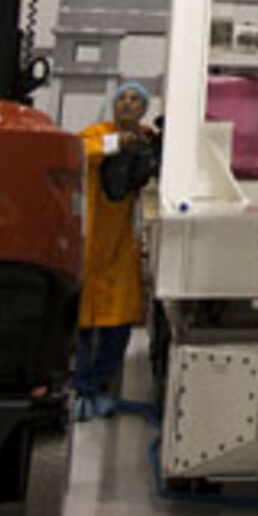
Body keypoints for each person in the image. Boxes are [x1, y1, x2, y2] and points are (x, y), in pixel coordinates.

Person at [76, 80, 161, 417]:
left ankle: (101, 386)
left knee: (118, 321)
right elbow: (84, 152)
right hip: (91, 242)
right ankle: (79, 389)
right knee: (84, 323)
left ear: (144, 108)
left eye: (135, 100)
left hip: (122, 246)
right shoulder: (95, 134)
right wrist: (117, 143)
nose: (127, 104)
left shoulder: (145, 139)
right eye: (122, 98)